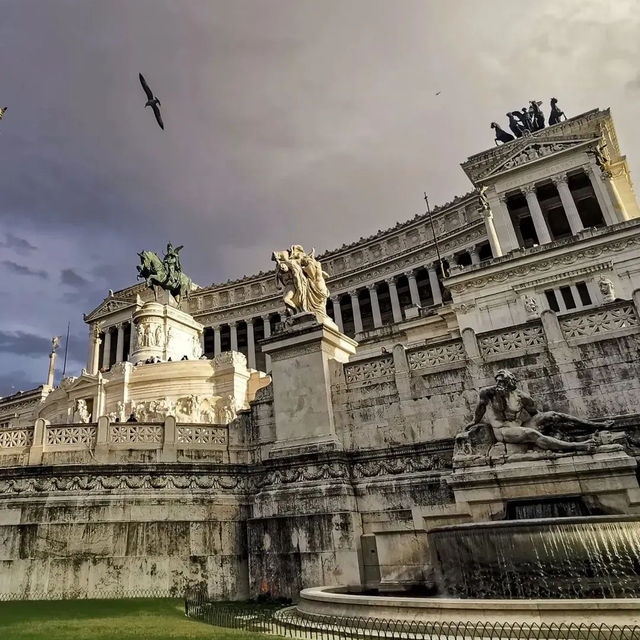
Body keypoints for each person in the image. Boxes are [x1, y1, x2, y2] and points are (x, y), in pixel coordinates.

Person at [465, 369, 611, 452]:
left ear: (511, 383)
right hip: (503, 431)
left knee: (554, 415)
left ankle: (595, 426)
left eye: (503, 382)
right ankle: (577, 446)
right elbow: (480, 410)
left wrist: (545, 422)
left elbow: (535, 414)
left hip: (520, 425)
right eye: (498, 381)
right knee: (531, 434)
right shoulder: (487, 393)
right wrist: (473, 422)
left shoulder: (522, 396)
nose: (499, 384)